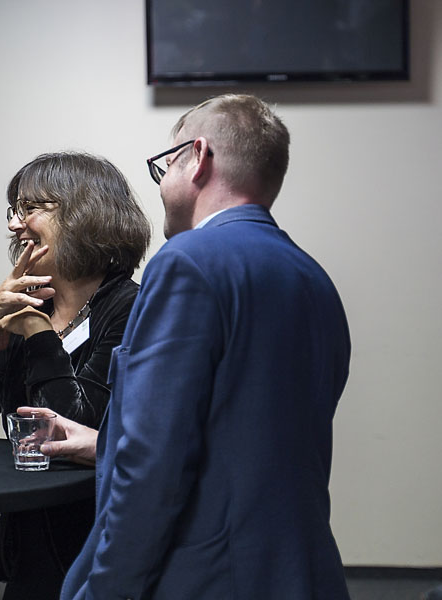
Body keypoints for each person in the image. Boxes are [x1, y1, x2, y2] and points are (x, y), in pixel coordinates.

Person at [52, 94, 351, 599]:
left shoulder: (187, 262)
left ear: (198, 158)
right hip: (301, 573)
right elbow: (246, 437)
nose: (162, 185)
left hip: (205, 579)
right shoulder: (313, 278)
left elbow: (153, 464)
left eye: (164, 165)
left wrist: (106, 589)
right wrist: (101, 443)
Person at [0, 151, 151, 599]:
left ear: (85, 214)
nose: (15, 225)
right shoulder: (32, 305)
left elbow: (79, 425)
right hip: (29, 542)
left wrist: (38, 334)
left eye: (31, 209)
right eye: (13, 211)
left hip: (97, 546)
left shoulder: (131, 307)